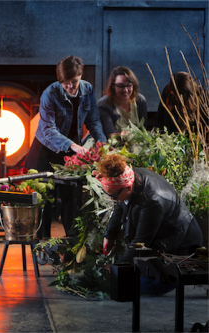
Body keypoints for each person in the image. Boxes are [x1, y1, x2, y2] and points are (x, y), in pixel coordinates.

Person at [24, 55, 107, 238]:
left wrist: (102, 144)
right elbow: (47, 129)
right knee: (45, 200)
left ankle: (72, 244)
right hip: (45, 151)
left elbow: (93, 120)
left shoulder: (88, 90)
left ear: (81, 75)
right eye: (65, 82)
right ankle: (43, 246)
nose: (70, 86)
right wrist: (74, 146)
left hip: (70, 152)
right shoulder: (50, 94)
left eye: (74, 81)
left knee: (71, 199)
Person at [97, 154, 202, 295]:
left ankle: (198, 276)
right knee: (138, 273)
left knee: (147, 287)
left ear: (127, 188)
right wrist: (109, 236)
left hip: (181, 241)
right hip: (160, 236)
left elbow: (140, 242)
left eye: (113, 196)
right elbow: (120, 205)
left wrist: (117, 267)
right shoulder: (131, 176)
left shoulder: (152, 201)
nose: (112, 199)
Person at [97, 66, 147, 139]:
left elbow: (143, 129)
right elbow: (109, 134)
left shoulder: (140, 100)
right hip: (112, 145)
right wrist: (125, 135)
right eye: (120, 86)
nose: (125, 90)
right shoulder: (104, 104)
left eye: (129, 85)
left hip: (136, 143)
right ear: (113, 86)